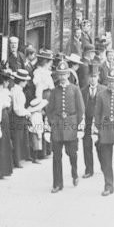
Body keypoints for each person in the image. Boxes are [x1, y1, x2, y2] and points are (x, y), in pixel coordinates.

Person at [46, 61, 85, 193]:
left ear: (68, 74)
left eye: (64, 74)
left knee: (72, 154)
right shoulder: (54, 91)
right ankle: (57, 183)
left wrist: (77, 125)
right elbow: (49, 109)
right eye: (60, 75)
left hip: (71, 126)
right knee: (56, 156)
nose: (62, 77)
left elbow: (81, 109)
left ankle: (74, 173)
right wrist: (52, 122)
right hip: (57, 127)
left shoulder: (75, 89)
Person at [80, 67, 104, 178]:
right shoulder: (83, 91)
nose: (93, 79)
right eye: (91, 77)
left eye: (95, 77)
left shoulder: (104, 90)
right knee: (86, 145)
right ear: (88, 78)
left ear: (98, 77)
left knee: (101, 146)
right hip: (87, 122)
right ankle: (89, 170)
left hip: (99, 123)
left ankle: (104, 167)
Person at [9, 70, 32, 169]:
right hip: (18, 117)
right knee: (17, 138)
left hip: (18, 116)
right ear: (21, 81)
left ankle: (19, 158)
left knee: (19, 138)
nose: (26, 83)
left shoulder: (16, 90)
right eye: (25, 81)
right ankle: (16, 160)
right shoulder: (17, 92)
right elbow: (17, 109)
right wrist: (27, 112)